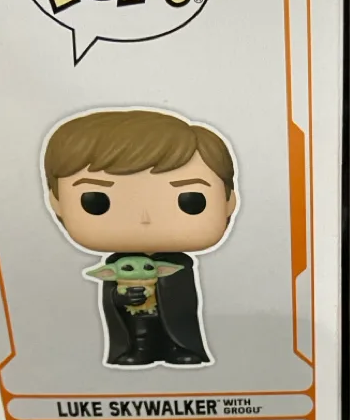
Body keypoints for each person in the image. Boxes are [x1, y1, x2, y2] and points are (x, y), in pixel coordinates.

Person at [44, 109, 237, 367]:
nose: (145, 218)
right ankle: (136, 349)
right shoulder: (117, 265)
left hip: (173, 318)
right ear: (57, 203)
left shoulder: (180, 266)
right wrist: (119, 297)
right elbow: (110, 298)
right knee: (138, 333)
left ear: (228, 201)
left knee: (178, 325)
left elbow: (184, 304)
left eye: (190, 200)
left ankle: (178, 346)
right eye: (96, 201)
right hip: (134, 317)